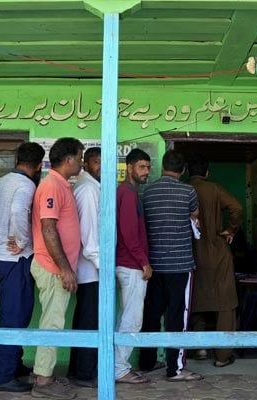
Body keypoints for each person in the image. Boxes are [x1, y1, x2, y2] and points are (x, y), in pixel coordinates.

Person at [0, 142, 45, 393]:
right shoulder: (26, 185)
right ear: (38, 166)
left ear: (17, 159)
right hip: (15, 261)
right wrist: (22, 240)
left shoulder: (2, 181)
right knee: (13, 318)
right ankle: (4, 377)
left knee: (14, 313)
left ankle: (13, 364)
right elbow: (17, 210)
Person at [140, 149, 204, 382]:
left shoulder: (147, 192)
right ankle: (175, 369)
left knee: (151, 314)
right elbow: (195, 215)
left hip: (153, 265)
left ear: (162, 167)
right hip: (180, 265)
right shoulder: (188, 191)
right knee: (177, 316)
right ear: (183, 170)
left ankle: (146, 362)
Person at [30, 137, 84, 400]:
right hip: (52, 267)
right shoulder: (52, 186)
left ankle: (45, 373)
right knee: (52, 322)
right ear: (69, 160)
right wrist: (65, 269)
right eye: (80, 157)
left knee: (54, 321)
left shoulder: (62, 185)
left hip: (57, 266)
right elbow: (49, 230)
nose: (82, 162)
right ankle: (43, 380)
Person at [187, 153, 243, 368]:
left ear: (187, 172)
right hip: (217, 253)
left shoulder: (184, 189)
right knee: (225, 304)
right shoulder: (214, 188)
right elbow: (236, 208)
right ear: (207, 172)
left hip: (191, 253)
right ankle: (222, 355)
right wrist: (231, 228)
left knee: (195, 301)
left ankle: (199, 348)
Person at [113, 149, 153, 385]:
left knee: (126, 317)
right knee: (131, 320)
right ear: (129, 168)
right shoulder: (127, 194)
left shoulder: (128, 192)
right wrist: (144, 262)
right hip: (130, 265)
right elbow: (129, 233)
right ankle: (119, 370)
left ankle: (120, 366)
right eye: (141, 167)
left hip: (127, 263)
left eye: (148, 167)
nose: (146, 171)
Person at [67, 147, 101, 388]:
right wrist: (103, 266)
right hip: (90, 269)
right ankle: (85, 374)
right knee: (89, 322)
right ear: (86, 165)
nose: (100, 166)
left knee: (84, 320)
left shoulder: (91, 187)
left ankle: (78, 370)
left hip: (88, 268)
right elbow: (89, 238)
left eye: (103, 161)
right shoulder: (88, 190)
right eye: (95, 162)